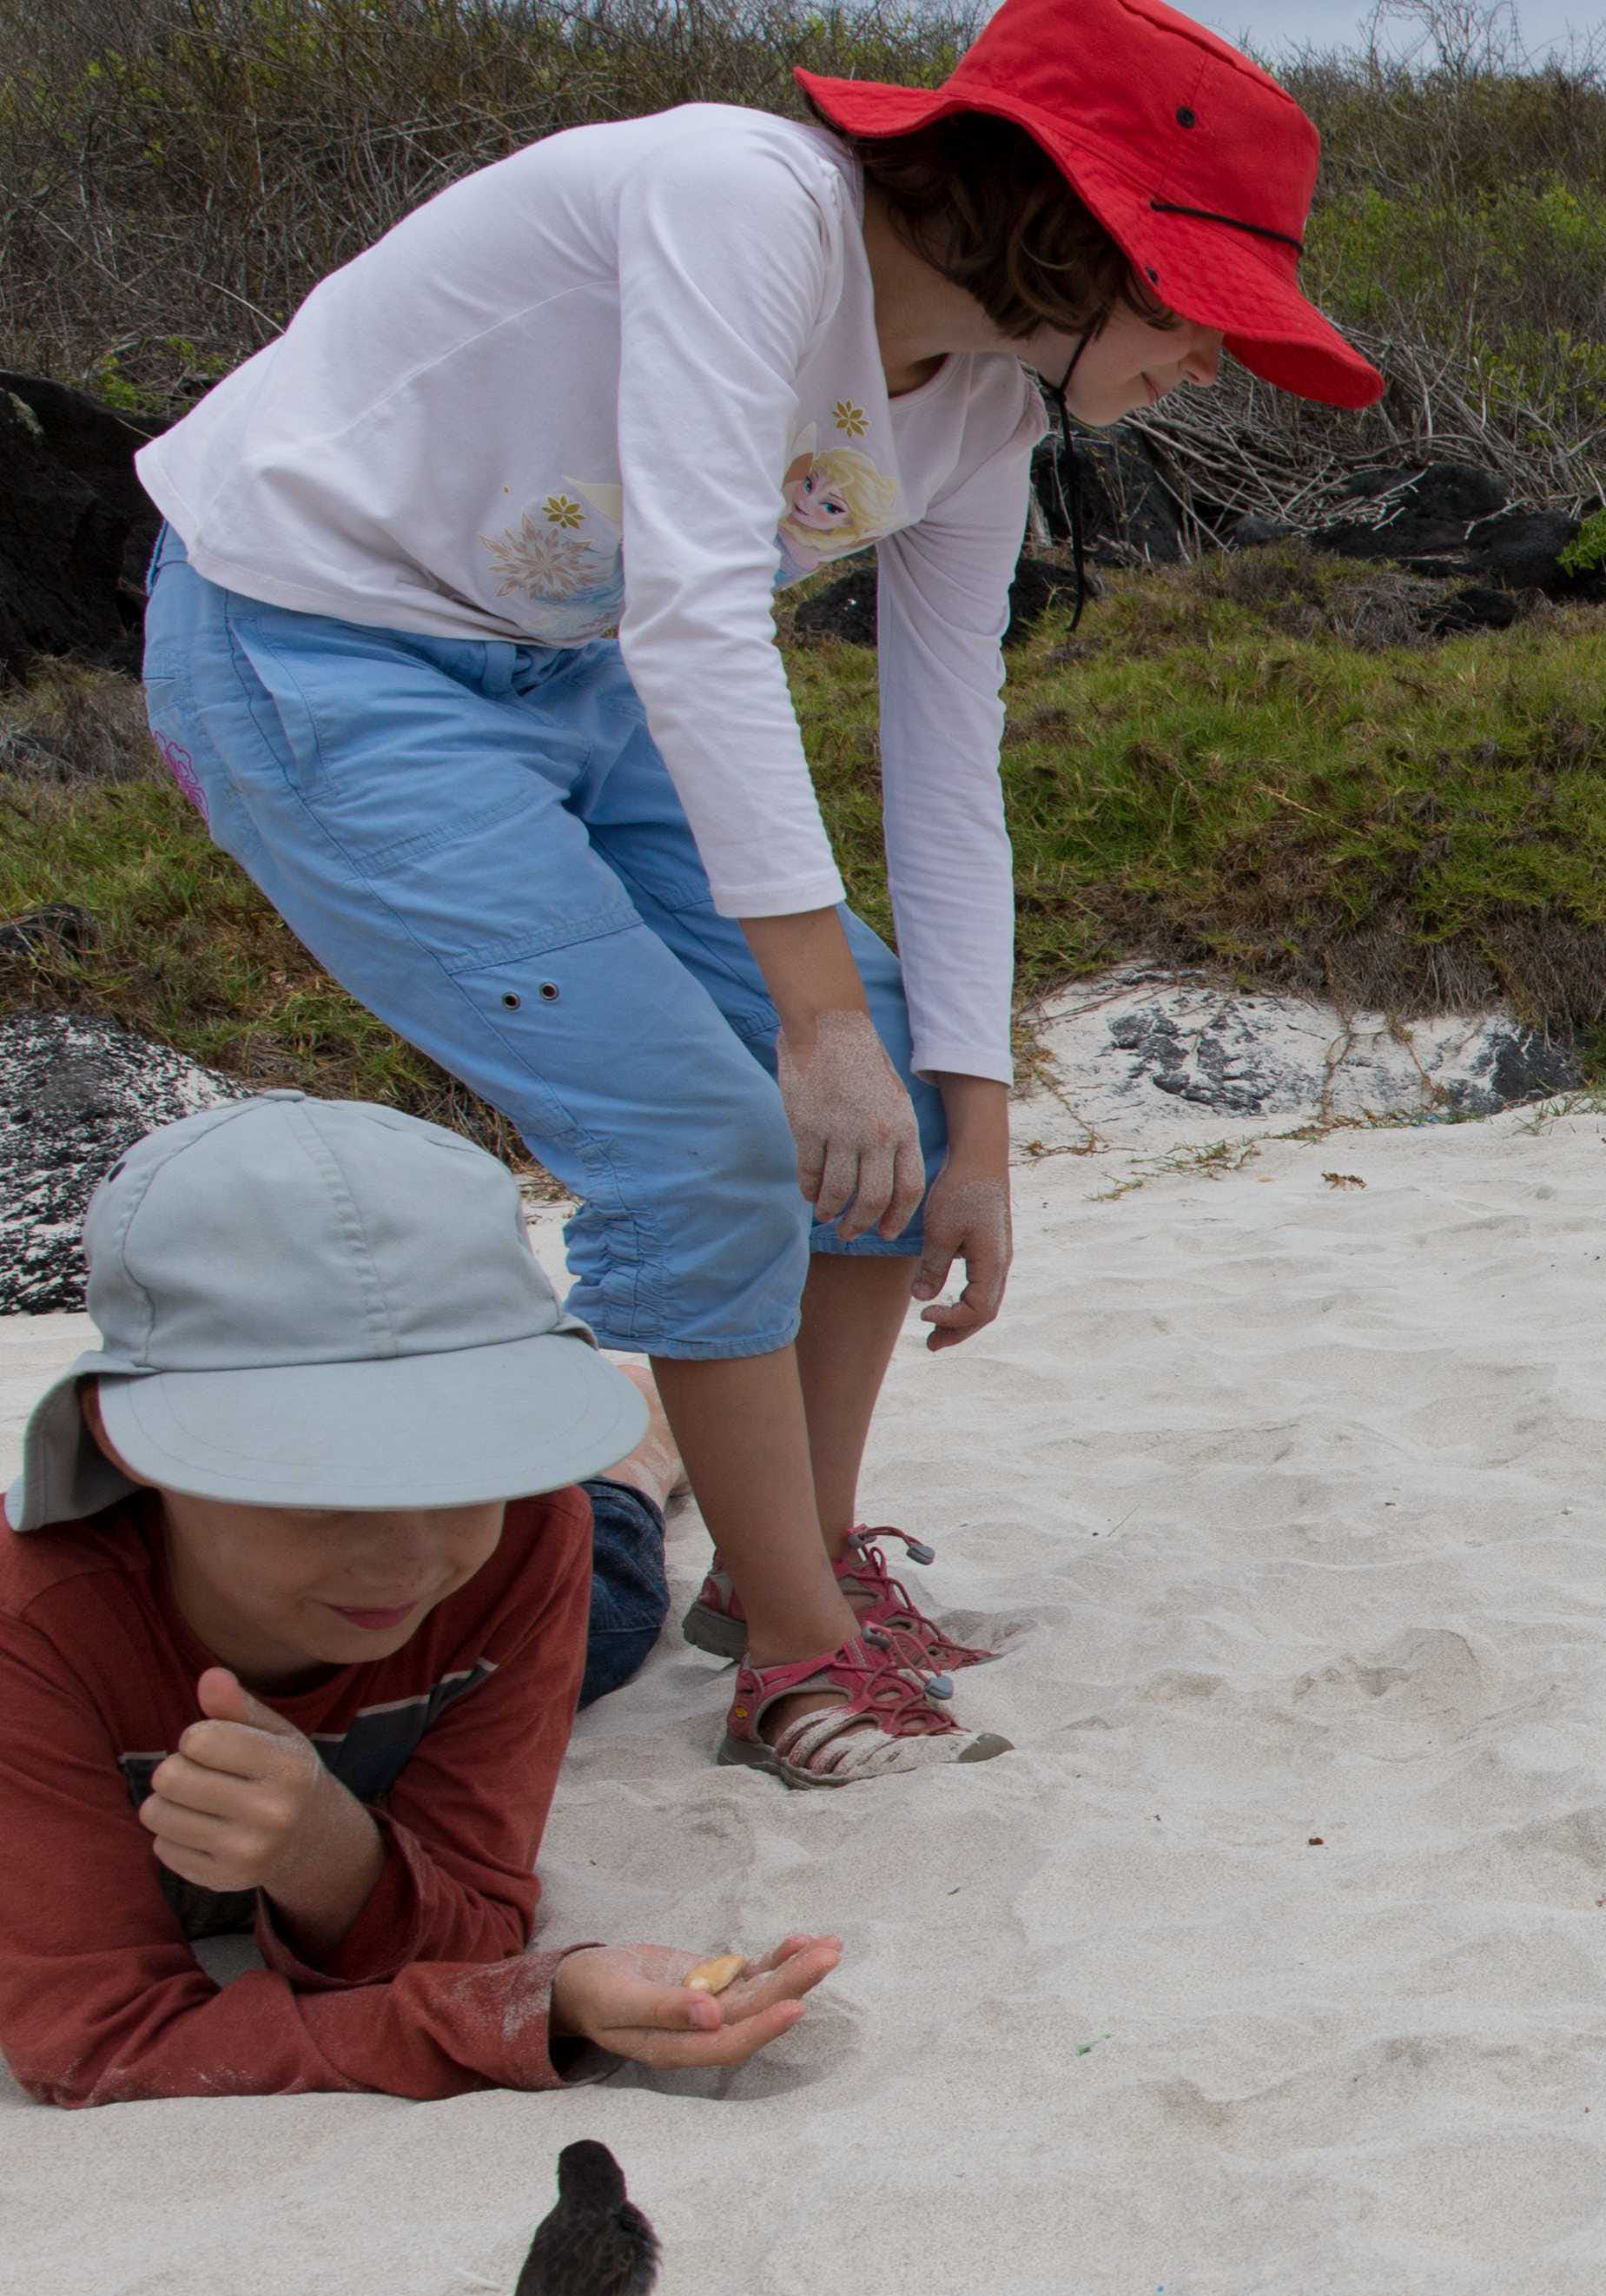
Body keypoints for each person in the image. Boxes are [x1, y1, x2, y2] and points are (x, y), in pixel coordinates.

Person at [128, 0, 1378, 1786]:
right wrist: (804, 1027)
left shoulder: (980, 416)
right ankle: (797, 1655)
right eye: (1196, 306)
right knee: (704, 1143)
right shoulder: (746, 202)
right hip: (307, 635)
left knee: (885, 1066)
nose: (1212, 361)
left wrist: (974, 1126)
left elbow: (946, 756)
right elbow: (696, 611)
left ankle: (789, 1565)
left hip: (560, 661)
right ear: (1071, 230)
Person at [3, 1095, 841, 2109]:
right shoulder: (31, 1633)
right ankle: (633, 1449)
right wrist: (517, 2012)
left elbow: (472, 1925)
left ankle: (624, 1466)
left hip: (536, 1582)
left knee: (608, 1605)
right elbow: (97, 2036)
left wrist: (325, 1853)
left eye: (466, 1469)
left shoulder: (517, 1545)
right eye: (323, 1491)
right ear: (124, 1442)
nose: (405, 1559)